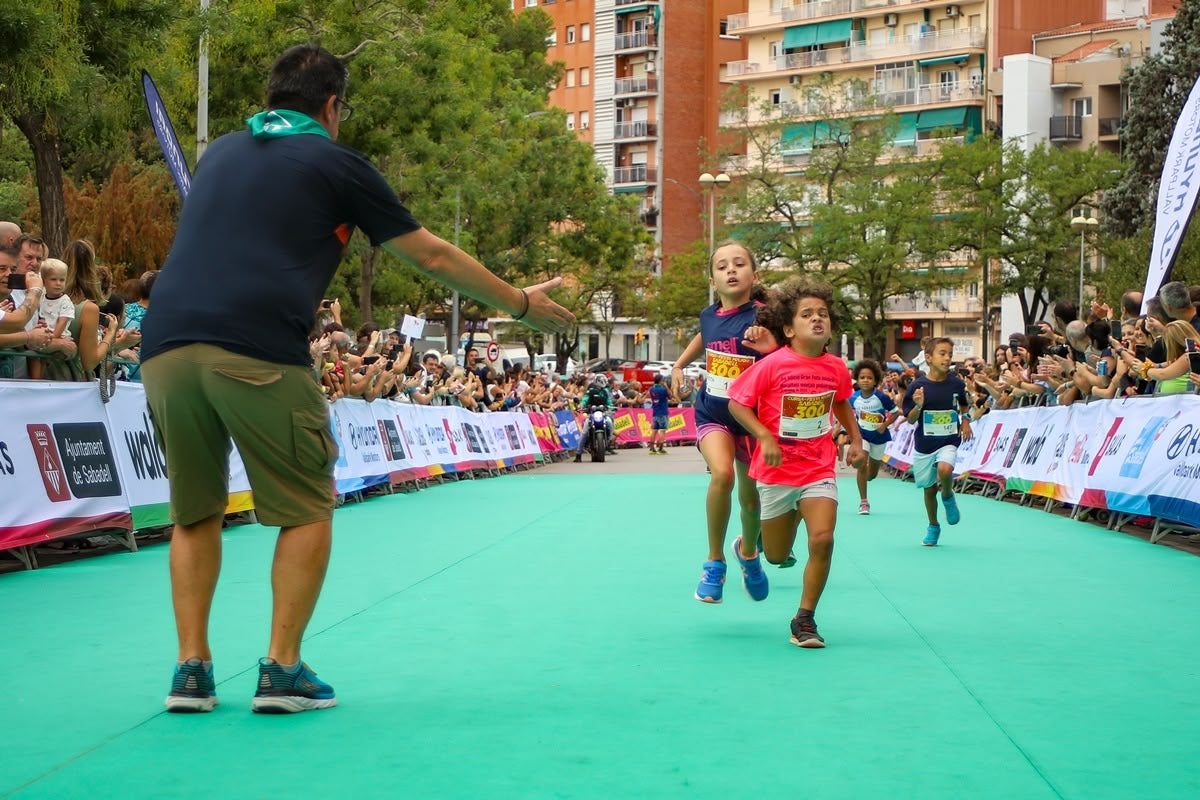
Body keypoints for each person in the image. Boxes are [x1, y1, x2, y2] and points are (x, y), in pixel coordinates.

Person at [139, 45, 574, 715]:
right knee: (307, 504)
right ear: (332, 105)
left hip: (164, 347)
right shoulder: (339, 165)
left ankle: (189, 672)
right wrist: (518, 303)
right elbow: (429, 253)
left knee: (193, 514)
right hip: (256, 346)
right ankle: (282, 671)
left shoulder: (221, 152)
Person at [727, 275, 865, 648]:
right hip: (776, 472)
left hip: (818, 467)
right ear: (788, 328)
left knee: (822, 538)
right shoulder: (772, 365)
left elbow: (840, 402)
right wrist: (765, 437)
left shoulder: (836, 367)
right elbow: (737, 404)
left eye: (822, 314)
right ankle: (747, 546)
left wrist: (855, 439)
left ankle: (804, 619)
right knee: (775, 555)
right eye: (807, 315)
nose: (817, 319)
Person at [670, 239, 780, 606]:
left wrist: (769, 347)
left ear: (754, 274)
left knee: (751, 503)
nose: (731, 270)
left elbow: (787, 357)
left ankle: (748, 553)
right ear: (713, 278)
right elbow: (706, 335)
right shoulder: (708, 314)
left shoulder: (766, 316)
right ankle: (714, 561)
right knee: (722, 475)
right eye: (722, 266)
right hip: (713, 411)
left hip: (751, 419)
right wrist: (679, 364)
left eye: (738, 264)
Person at [902, 338, 973, 546]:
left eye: (950, 354)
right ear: (928, 358)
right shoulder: (917, 386)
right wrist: (918, 406)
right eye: (942, 353)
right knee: (929, 489)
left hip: (949, 439)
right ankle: (933, 525)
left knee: (945, 468)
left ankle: (948, 495)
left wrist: (966, 421)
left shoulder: (957, 384)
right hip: (925, 444)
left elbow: (964, 405)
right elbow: (910, 419)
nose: (947, 357)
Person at [847, 358, 898, 514]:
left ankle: (868, 474)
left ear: (875, 380)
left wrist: (884, 425)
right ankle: (864, 502)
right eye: (862, 377)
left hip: (879, 438)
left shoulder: (882, 398)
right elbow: (847, 416)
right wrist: (840, 431)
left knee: (872, 474)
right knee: (862, 463)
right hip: (862, 436)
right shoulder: (853, 398)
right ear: (857, 378)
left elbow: (896, 413)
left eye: (869, 378)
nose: (865, 381)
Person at [27, 258, 76, 380]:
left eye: (62, 280)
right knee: (36, 356)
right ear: (43, 281)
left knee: (35, 348)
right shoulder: (42, 298)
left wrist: (52, 337)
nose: (58, 283)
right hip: (46, 334)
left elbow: (62, 322)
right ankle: (36, 381)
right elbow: (41, 316)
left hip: (60, 336)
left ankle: (36, 381)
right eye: (53, 279)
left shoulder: (65, 301)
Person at [647, 373, 670, 454]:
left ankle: (652, 448)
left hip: (655, 412)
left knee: (654, 430)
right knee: (662, 430)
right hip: (663, 411)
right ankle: (660, 448)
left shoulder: (651, 389)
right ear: (661, 381)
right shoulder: (663, 389)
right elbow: (670, 395)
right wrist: (666, 386)